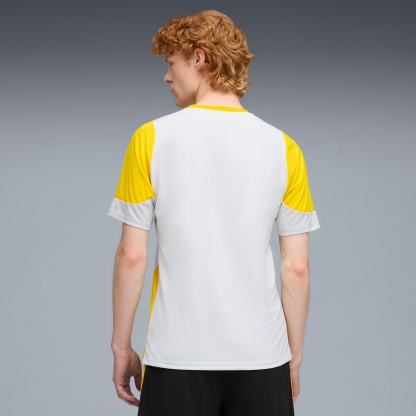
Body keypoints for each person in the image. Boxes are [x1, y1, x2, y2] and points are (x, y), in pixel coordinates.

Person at [108, 9, 320, 416]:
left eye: (172, 63)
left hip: (176, 357)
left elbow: (131, 255)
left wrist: (121, 347)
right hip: (262, 358)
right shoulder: (285, 148)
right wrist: (292, 357)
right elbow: (296, 269)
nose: (167, 77)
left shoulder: (150, 139)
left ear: (199, 57)